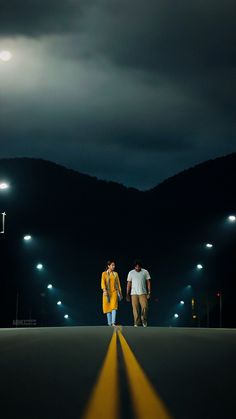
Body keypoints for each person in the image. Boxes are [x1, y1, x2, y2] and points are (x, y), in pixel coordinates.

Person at [126, 260, 151, 327]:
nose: (137, 268)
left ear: (140, 267)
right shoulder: (131, 273)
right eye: (136, 267)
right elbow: (129, 283)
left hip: (143, 293)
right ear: (134, 267)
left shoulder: (145, 272)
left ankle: (144, 320)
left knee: (145, 307)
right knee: (135, 309)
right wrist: (127, 294)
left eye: (138, 267)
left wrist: (149, 292)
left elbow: (148, 282)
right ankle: (137, 322)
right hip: (134, 293)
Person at [101, 260, 123, 326]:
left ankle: (113, 322)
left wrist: (120, 292)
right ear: (108, 266)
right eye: (112, 265)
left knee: (114, 307)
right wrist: (104, 290)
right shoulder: (104, 273)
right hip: (106, 292)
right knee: (107, 307)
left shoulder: (115, 274)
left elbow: (118, 284)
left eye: (114, 265)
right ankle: (109, 323)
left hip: (114, 292)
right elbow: (103, 282)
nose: (114, 266)